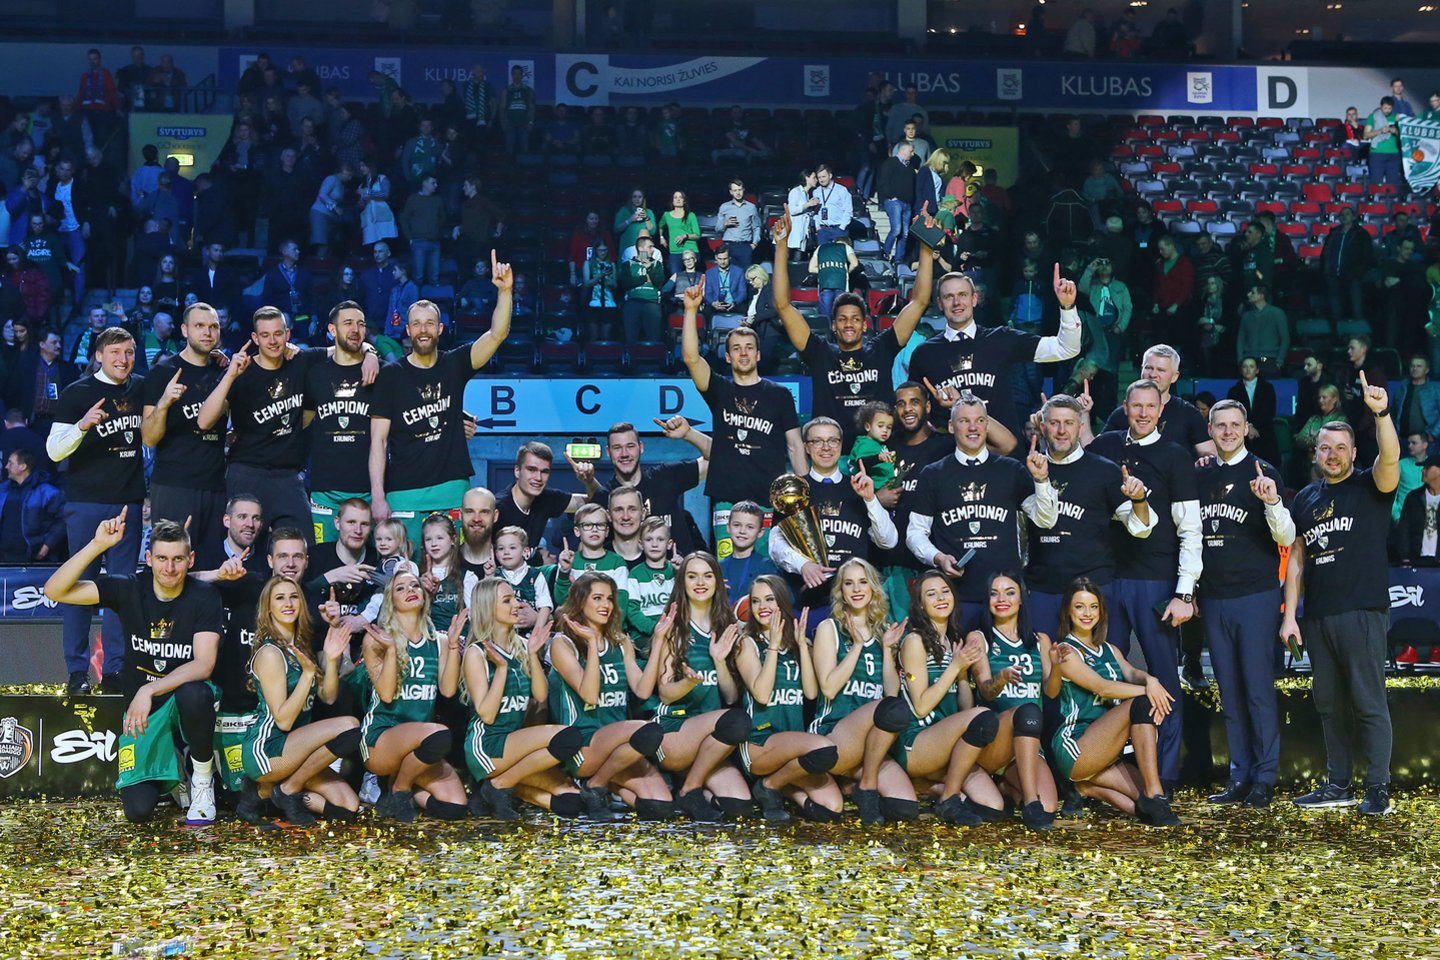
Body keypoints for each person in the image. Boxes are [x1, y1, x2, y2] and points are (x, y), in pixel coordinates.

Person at [44, 515, 224, 825]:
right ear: (149, 559)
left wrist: (149, 688)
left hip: (180, 701)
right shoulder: (129, 588)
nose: (170, 568)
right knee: (138, 810)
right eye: (162, 558)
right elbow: (54, 590)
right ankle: (175, 768)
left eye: (178, 559)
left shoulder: (204, 595)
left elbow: (203, 664)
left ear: (191, 560)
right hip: (145, 713)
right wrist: (97, 545)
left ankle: (202, 779)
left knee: (195, 693)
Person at [1281, 372, 1398, 816]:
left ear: (1353, 453)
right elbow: (1296, 559)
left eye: (1341, 448)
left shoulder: (1371, 485)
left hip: (1362, 610)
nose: (1332, 455)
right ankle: (1338, 785)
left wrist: (1381, 415)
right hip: (1318, 615)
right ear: (1315, 453)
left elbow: (1391, 457)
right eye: (1325, 448)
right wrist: (1290, 616)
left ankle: (1378, 789)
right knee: (1329, 704)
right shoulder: (1305, 498)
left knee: (1368, 703)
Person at [1087, 379, 1200, 794]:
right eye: (1136, 406)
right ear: (1125, 407)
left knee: (1163, 676)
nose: (1143, 413)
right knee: (1105, 671)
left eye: (1150, 406)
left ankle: (1164, 774)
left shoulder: (1175, 455)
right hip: (1106, 579)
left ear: (1160, 411)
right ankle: (1106, 765)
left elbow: (1191, 529)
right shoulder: (1104, 446)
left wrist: (1184, 591)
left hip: (1155, 579)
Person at [199, 307, 375, 543]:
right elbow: (204, 421)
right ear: (255, 338)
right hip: (247, 472)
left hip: (288, 476)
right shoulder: (241, 371)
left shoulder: (300, 360)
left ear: (288, 334)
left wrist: (370, 353)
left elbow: (346, 346)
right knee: (245, 544)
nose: (272, 341)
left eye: (278, 334)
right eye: (265, 335)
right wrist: (230, 375)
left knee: (304, 545)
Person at [369, 258, 513, 544]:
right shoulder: (390, 375)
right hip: (404, 492)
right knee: (405, 568)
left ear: (440, 329)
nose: (423, 330)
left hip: (451, 488)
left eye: (429, 324)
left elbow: (497, 335)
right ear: (407, 331)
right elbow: (378, 442)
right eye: (417, 324)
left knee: (455, 567)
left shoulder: (454, 363)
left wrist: (505, 291)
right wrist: (378, 496)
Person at [1196, 399, 1295, 809]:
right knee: (1230, 691)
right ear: (1210, 430)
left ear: (1246, 428)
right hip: (1214, 597)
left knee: (1257, 689)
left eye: (1235, 425)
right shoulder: (1200, 474)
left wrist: (1271, 502)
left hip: (1255, 596)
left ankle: (1264, 777)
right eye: (1220, 425)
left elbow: (1286, 537)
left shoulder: (1263, 471)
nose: (1228, 431)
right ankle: (1239, 774)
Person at [771, 211, 935, 445]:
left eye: (855, 319)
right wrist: (781, 245)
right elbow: (782, 305)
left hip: (879, 455)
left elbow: (919, 301)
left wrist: (926, 247)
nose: (849, 324)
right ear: (834, 325)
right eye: (842, 319)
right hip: (830, 455)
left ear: (865, 324)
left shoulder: (882, 349)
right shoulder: (819, 353)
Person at [46, 327, 146, 695]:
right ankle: (77, 673)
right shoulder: (77, 392)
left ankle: (116, 670)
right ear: (99, 355)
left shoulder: (141, 387)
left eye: (129, 352)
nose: (123, 359)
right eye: (115, 352)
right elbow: (54, 451)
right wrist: (81, 426)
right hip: (86, 503)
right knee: (77, 586)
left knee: (122, 589)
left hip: (127, 503)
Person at [905, 393, 1056, 630]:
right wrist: (938, 557)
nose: (973, 427)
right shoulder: (933, 474)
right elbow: (915, 534)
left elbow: (1046, 520)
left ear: (987, 425)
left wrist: (1042, 480)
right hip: (956, 598)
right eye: (964, 421)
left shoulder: (1011, 470)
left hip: (1005, 598)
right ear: (952, 426)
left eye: (979, 420)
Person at [680, 283, 804, 556]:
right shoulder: (719, 390)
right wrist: (690, 310)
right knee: (728, 569)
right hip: (727, 501)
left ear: (758, 354)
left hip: (769, 502)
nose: (744, 353)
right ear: (728, 356)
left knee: (766, 570)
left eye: (749, 347)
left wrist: (807, 492)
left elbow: (795, 446)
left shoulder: (780, 395)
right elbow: (691, 358)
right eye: (737, 348)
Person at [548, 571, 677, 819]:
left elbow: (642, 689)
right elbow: (590, 696)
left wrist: (659, 640)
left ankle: (599, 785)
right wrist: (592, 644)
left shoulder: (620, 642)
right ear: (580, 601)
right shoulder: (562, 644)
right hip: (585, 743)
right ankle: (595, 784)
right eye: (597, 598)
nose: (605, 605)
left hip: (624, 746)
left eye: (609, 599)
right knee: (649, 732)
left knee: (660, 806)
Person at [1052, 578, 1180, 825]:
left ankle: (1087, 789)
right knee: (1142, 704)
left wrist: (1150, 680)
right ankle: (1156, 794)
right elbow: (1103, 687)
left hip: (1107, 748)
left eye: (1093, 607)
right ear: (1068, 610)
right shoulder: (1066, 652)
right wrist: (1147, 692)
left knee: (1148, 811)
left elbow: (1131, 672)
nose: (1087, 613)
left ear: (1101, 611)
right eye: (1079, 606)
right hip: (1077, 745)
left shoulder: (1110, 649)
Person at [1024, 394, 1154, 638]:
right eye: (1054, 423)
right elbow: (1044, 520)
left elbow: (1141, 528)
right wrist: (1040, 479)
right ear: (1042, 426)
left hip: (1095, 589)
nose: (1061, 431)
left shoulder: (1104, 470)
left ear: (1081, 427)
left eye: (1069, 423)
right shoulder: (1026, 471)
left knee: (1103, 660)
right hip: (1043, 589)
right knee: (1045, 661)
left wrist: (1139, 500)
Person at [908, 266, 1081, 446]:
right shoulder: (924, 354)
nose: (956, 302)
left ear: (974, 299)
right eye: (948, 297)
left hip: (1005, 455)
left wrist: (1067, 307)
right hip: (951, 455)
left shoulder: (1002, 339)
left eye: (962, 295)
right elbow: (914, 410)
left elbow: (1066, 349)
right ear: (939, 303)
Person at [240, 576, 360, 826]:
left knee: (348, 806)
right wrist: (307, 675)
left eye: (294, 597)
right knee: (349, 726)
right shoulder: (270, 653)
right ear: (268, 608)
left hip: (297, 750)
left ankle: (265, 792)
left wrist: (332, 659)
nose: (288, 603)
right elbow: (283, 721)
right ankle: (287, 788)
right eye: (280, 598)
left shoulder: (300, 647)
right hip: (268, 748)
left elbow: (328, 696)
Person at [462, 578, 585, 819]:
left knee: (571, 802)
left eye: (515, 599)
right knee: (568, 737)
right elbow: (487, 714)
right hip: (488, 746)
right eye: (507, 600)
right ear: (488, 607)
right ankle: (500, 785)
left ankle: (499, 787)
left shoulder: (522, 645)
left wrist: (533, 654)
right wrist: (501, 669)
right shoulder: (476, 652)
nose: (517, 605)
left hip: (517, 745)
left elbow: (540, 695)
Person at [651, 553, 756, 821]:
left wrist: (720, 661)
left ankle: (688, 784)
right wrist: (688, 682)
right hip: (675, 731)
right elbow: (665, 694)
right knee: (737, 721)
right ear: (682, 582)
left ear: (717, 581)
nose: (700, 582)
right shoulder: (672, 626)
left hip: (714, 739)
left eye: (707, 576)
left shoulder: (726, 626)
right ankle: (689, 788)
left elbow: (730, 697)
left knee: (739, 805)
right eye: (692, 576)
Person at [809, 557, 915, 823]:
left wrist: (888, 650)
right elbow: (829, 688)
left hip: (873, 741)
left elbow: (891, 696)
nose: (856, 589)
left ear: (873, 588)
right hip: (836, 732)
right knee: (888, 710)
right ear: (841, 591)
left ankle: (855, 782)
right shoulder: (829, 628)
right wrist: (856, 646)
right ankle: (864, 785)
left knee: (905, 808)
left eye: (862, 582)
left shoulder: (882, 632)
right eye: (849, 583)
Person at [729, 575, 843, 821]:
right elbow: (761, 694)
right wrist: (773, 647)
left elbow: (811, 693)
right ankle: (769, 785)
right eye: (756, 601)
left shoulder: (795, 645)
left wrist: (801, 646)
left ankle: (773, 784)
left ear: (781, 602)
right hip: (759, 742)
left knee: (832, 806)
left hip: (793, 746)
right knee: (822, 748)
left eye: (769, 599)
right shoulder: (747, 644)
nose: (762, 607)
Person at [359, 569, 469, 822]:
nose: (410, 590)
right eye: (401, 588)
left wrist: (453, 646)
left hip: (420, 745)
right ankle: (399, 787)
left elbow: (448, 690)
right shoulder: (376, 640)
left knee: (454, 807)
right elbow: (387, 695)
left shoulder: (440, 641)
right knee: (440, 735)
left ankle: (396, 785)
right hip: (381, 738)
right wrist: (390, 651)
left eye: (415, 586)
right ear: (391, 601)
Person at [967, 572, 1065, 830]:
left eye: (1010, 592)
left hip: (1028, 743)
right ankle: (1028, 801)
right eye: (994, 593)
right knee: (1027, 712)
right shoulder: (979, 637)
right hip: (994, 740)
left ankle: (1006, 787)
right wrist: (1000, 679)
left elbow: (1051, 692)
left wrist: (1056, 667)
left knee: (1050, 807)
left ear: (1021, 599)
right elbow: (985, 692)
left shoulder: (1040, 640)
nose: (1002, 599)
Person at [768, 416, 897, 609]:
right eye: (817, 441)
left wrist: (871, 499)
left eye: (832, 440)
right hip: (807, 600)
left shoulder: (860, 487)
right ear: (806, 447)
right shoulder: (792, 490)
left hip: (855, 602)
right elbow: (775, 542)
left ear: (841, 445)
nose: (826, 447)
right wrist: (803, 565)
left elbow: (888, 541)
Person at [140, 304, 228, 567]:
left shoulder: (223, 371)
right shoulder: (163, 373)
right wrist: (164, 403)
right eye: (199, 326)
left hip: (215, 486)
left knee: (210, 568)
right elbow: (148, 438)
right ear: (184, 330)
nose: (207, 332)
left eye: (213, 326)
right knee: (171, 566)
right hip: (173, 485)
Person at [303, 302, 376, 544]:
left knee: (370, 561)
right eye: (348, 323)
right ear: (332, 330)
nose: (355, 329)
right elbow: (303, 422)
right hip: (325, 491)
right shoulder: (314, 373)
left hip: (369, 490)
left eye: (361, 324)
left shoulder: (381, 374)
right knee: (323, 557)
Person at [604, 419, 708, 557]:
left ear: (641, 447)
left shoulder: (666, 475)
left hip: (681, 569)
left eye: (630, 446)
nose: (624, 453)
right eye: (617, 448)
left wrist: (689, 434)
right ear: (608, 452)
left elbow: (718, 461)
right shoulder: (604, 496)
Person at [1099, 344, 1214, 456]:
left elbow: (1209, 455)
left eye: (1161, 370)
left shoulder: (1189, 414)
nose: (1153, 374)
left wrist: (1205, 459)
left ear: (1174, 376)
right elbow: (1096, 450)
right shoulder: (1123, 413)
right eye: (1148, 368)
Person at [495, 441, 599, 552]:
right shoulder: (497, 508)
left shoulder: (546, 498)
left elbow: (596, 502)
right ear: (517, 471)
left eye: (544, 472)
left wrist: (589, 481)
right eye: (532, 470)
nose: (538, 478)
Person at [0, 448, 65, 563]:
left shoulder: (47, 492)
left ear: (23, 466)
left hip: (35, 557)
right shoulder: (3, 490)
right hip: (4, 557)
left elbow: (62, 520)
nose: (6, 466)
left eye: (10, 463)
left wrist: (47, 545)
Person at [1225, 358, 1281, 468]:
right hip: (1241, 434)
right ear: (1241, 370)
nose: (1248, 369)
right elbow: (1233, 413)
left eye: (1251, 366)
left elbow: (1269, 411)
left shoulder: (1268, 388)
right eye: (1245, 367)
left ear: (1257, 370)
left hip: (1264, 433)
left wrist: (1255, 429)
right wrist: (1248, 426)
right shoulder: (1233, 391)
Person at [1393, 454, 1440, 565]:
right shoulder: (1413, 498)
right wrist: (1405, 557)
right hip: (1416, 560)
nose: (1422, 470)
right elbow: (1404, 529)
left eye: (1427, 467)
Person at [619, 235, 665, 342]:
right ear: (640, 248)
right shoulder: (628, 264)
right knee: (631, 339)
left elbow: (659, 282)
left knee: (654, 339)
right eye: (650, 247)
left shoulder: (656, 264)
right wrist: (644, 278)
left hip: (652, 304)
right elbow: (625, 283)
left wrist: (650, 269)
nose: (653, 250)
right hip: (633, 303)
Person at [1236, 285, 1289, 375]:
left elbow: (1285, 339)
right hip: (1249, 359)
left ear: (1261, 296)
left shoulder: (1277, 313)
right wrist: (1240, 360)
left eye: (1253, 292)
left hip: (1268, 358)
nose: (1248, 294)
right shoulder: (1246, 316)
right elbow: (1240, 340)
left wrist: (1279, 360)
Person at [845, 401, 898, 490]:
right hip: (873, 489)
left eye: (889, 427)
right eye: (880, 426)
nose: (885, 430)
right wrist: (878, 458)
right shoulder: (864, 443)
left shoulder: (880, 444)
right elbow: (862, 462)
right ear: (867, 426)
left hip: (888, 486)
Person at [717, 178, 762, 268]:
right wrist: (725, 224)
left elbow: (757, 227)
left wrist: (754, 244)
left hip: (745, 246)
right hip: (729, 245)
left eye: (739, 190)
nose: (738, 193)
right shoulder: (724, 207)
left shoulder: (751, 207)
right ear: (731, 192)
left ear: (743, 190)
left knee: (745, 273)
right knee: (730, 273)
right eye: (735, 190)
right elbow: (717, 229)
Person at [702, 245, 746, 333]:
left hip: (733, 303)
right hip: (716, 304)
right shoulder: (709, 273)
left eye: (725, 259)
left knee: (744, 309)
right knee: (706, 312)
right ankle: (709, 334)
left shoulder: (739, 271)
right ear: (716, 258)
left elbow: (743, 292)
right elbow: (708, 293)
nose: (722, 262)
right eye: (720, 259)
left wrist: (735, 303)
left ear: (729, 258)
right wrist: (713, 303)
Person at [1364, 96, 1403, 187]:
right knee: (1376, 183)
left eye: (1389, 108)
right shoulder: (1373, 117)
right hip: (1377, 153)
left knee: (1393, 185)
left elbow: (1403, 136)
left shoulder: (1395, 117)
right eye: (1385, 108)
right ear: (1380, 106)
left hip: (1393, 154)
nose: (1387, 111)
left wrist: (1395, 131)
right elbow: (1366, 135)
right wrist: (1380, 131)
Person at [658, 191, 699, 275]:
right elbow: (660, 226)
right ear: (672, 201)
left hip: (690, 249)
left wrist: (685, 236)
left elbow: (697, 235)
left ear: (684, 201)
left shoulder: (690, 215)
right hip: (675, 251)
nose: (678, 199)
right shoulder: (666, 215)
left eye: (680, 197)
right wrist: (661, 237)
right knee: (675, 277)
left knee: (691, 276)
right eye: (675, 197)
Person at [811, 164, 852, 244]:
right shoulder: (816, 192)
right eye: (819, 177)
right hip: (823, 231)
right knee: (823, 252)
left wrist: (841, 227)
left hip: (838, 229)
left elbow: (848, 211)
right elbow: (815, 211)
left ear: (830, 176)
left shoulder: (841, 190)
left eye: (823, 177)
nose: (821, 180)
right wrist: (817, 226)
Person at [785, 168, 819, 255]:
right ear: (807, 178)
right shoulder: (796, 191)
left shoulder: (807, 194)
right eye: (814, 177)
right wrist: (808, 204)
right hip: (794, 233)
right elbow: (792, 210)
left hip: (802, 232)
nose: (816, 180)